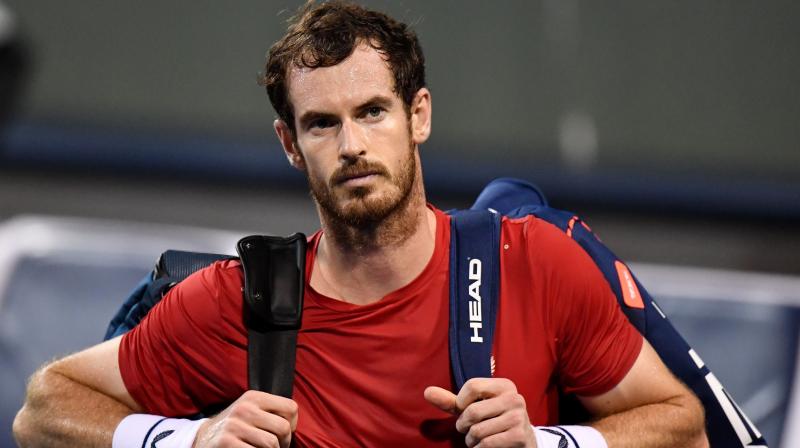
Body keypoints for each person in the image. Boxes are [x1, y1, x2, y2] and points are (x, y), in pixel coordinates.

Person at [13, 2, 708, 447]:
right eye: (322, 123)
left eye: (372, 111)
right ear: (290, 144)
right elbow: (43, 411)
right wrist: (187, 441)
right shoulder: (242, 301)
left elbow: (683, 426)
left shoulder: (532, 265)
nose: (351, 145)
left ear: (419, 116)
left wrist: (547, 442)